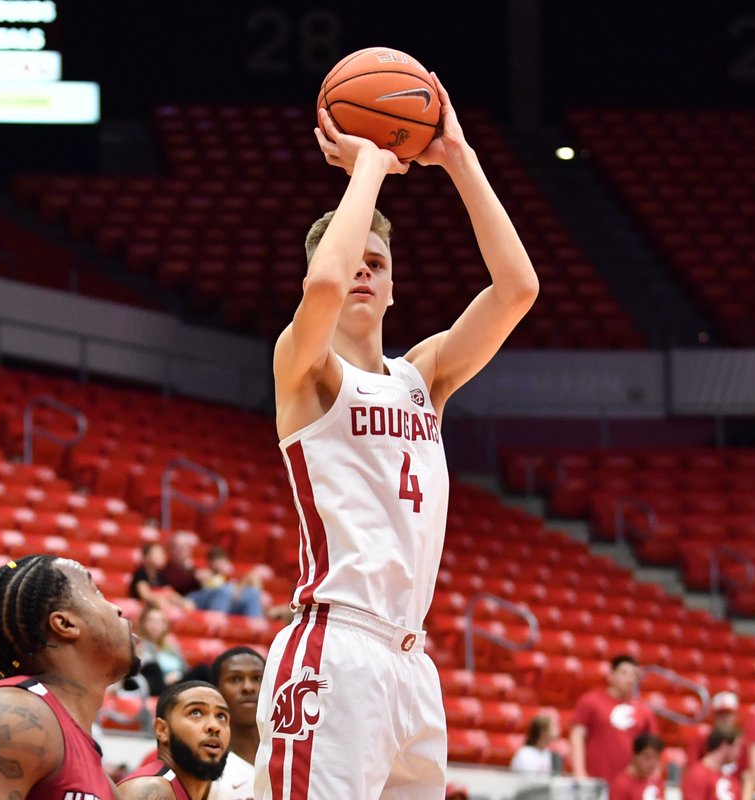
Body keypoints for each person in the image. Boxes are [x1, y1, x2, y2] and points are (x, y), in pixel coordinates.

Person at [258, 72, 538, 800]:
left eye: (375, 265)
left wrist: (458, 158)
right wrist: (372, 170)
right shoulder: (305, 369)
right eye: (351, 262)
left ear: (391, 288)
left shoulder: (424, 375)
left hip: (413, 660)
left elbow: (518, 290)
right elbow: (320, 291)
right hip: (336, 644)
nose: (360, 274)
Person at [0, 555, 137, 799]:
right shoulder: (10, 717)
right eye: (95, 592)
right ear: (64, 623)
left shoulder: (102, 780)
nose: (117, 608)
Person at [118, 680, 231, 800]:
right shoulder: (153, 789)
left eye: (221, 716)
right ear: (162, 730)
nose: (214, 726)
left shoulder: (211, 792)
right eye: (196, 712)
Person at [570, 655, 660, 783]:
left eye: (633, 675)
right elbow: (577, 736)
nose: (629, 678)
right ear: (611, 675)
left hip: (629, 785)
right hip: (596, 780)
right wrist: (579, 773)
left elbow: (653, 748)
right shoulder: (591, 701)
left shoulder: (644, 711)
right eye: (624, 673)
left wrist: (652, 778)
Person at [211, 646, 267, 799]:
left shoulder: (292, 756)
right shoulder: (203, 765)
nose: (248, 687)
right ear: (215, 691)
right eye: (235, 679)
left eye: (258, 678)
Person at [134, 605, 189, 697]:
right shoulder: (139, 644)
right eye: (151, 620)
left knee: (202, 670)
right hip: (157, 685)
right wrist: (165, 678)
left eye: (160, 621)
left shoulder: (172, 646)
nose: (155, 625)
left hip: (179, 682)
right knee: (153, 667)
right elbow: (144, 669)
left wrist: (179, 675)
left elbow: (186, 669)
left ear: (165, 625)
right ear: (143, 623)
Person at [132, 542, 194, 612]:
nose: (162, 557)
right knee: (161, 603)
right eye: (158, 554)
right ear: (147, 557)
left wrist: (183, 602)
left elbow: (170, 592)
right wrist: (164, 596)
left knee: (187, 604)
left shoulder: (161, 575)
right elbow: (145, 595)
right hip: (143, 607)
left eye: (163, 554)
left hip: (160, 603)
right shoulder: (141, 573)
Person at [681, 729, 741, 800]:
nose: (739, 752)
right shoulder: (697, 775)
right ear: (725, 746)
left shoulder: (729, 776)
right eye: (737, 746)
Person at [687, 691, 740, 764]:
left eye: (727, 714)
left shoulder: (740, 741)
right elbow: (692, 769)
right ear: (714, 716)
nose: (724, 718)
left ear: (735, 715)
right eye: (720, 714)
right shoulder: (701, 740)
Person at [608, 733, 666, 800]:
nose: (652, 763)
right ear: (635, 755)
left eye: (656, 758)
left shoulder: (656, 780)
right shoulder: (621, 784)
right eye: (647, 757)